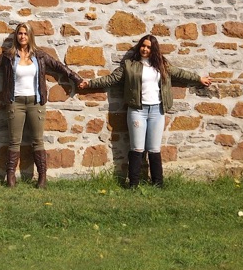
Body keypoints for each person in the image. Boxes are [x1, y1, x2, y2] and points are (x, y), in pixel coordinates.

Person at [79, 34, 212, 188]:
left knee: (154, 148)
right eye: (143, 45)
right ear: (139, 47)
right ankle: (133, 184)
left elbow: (180, 73)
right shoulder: (129, 65)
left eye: (149, 47)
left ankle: (158, 184)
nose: (145, 49)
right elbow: (111, 79)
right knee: (137, 148)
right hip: (137, 111)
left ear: (153, 49)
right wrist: (89, 83)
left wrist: (198, 79)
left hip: (157, 110)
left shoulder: (162, 65)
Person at [0, 22, 82, 189]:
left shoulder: (40, 56)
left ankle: (42, 178)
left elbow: (59, 67)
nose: (22, 36)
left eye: (25, 34)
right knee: (14, 141)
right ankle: (10, 179)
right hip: (15, 102)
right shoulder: (8, 56)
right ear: (16, 36)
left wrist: (77, 79)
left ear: (30, 36)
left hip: (36, 102)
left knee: (37, 141)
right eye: (20, 33)